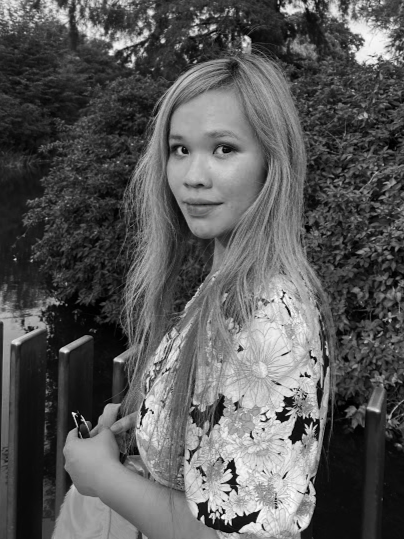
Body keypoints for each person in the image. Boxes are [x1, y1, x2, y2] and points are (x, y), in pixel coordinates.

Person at [58, 53, 333, 539]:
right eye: (180, 149)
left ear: (273, 162)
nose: (192, 176)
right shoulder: (230, 282)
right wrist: (150, 422)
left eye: (224, 148)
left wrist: (100, 476)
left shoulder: (269, 320)